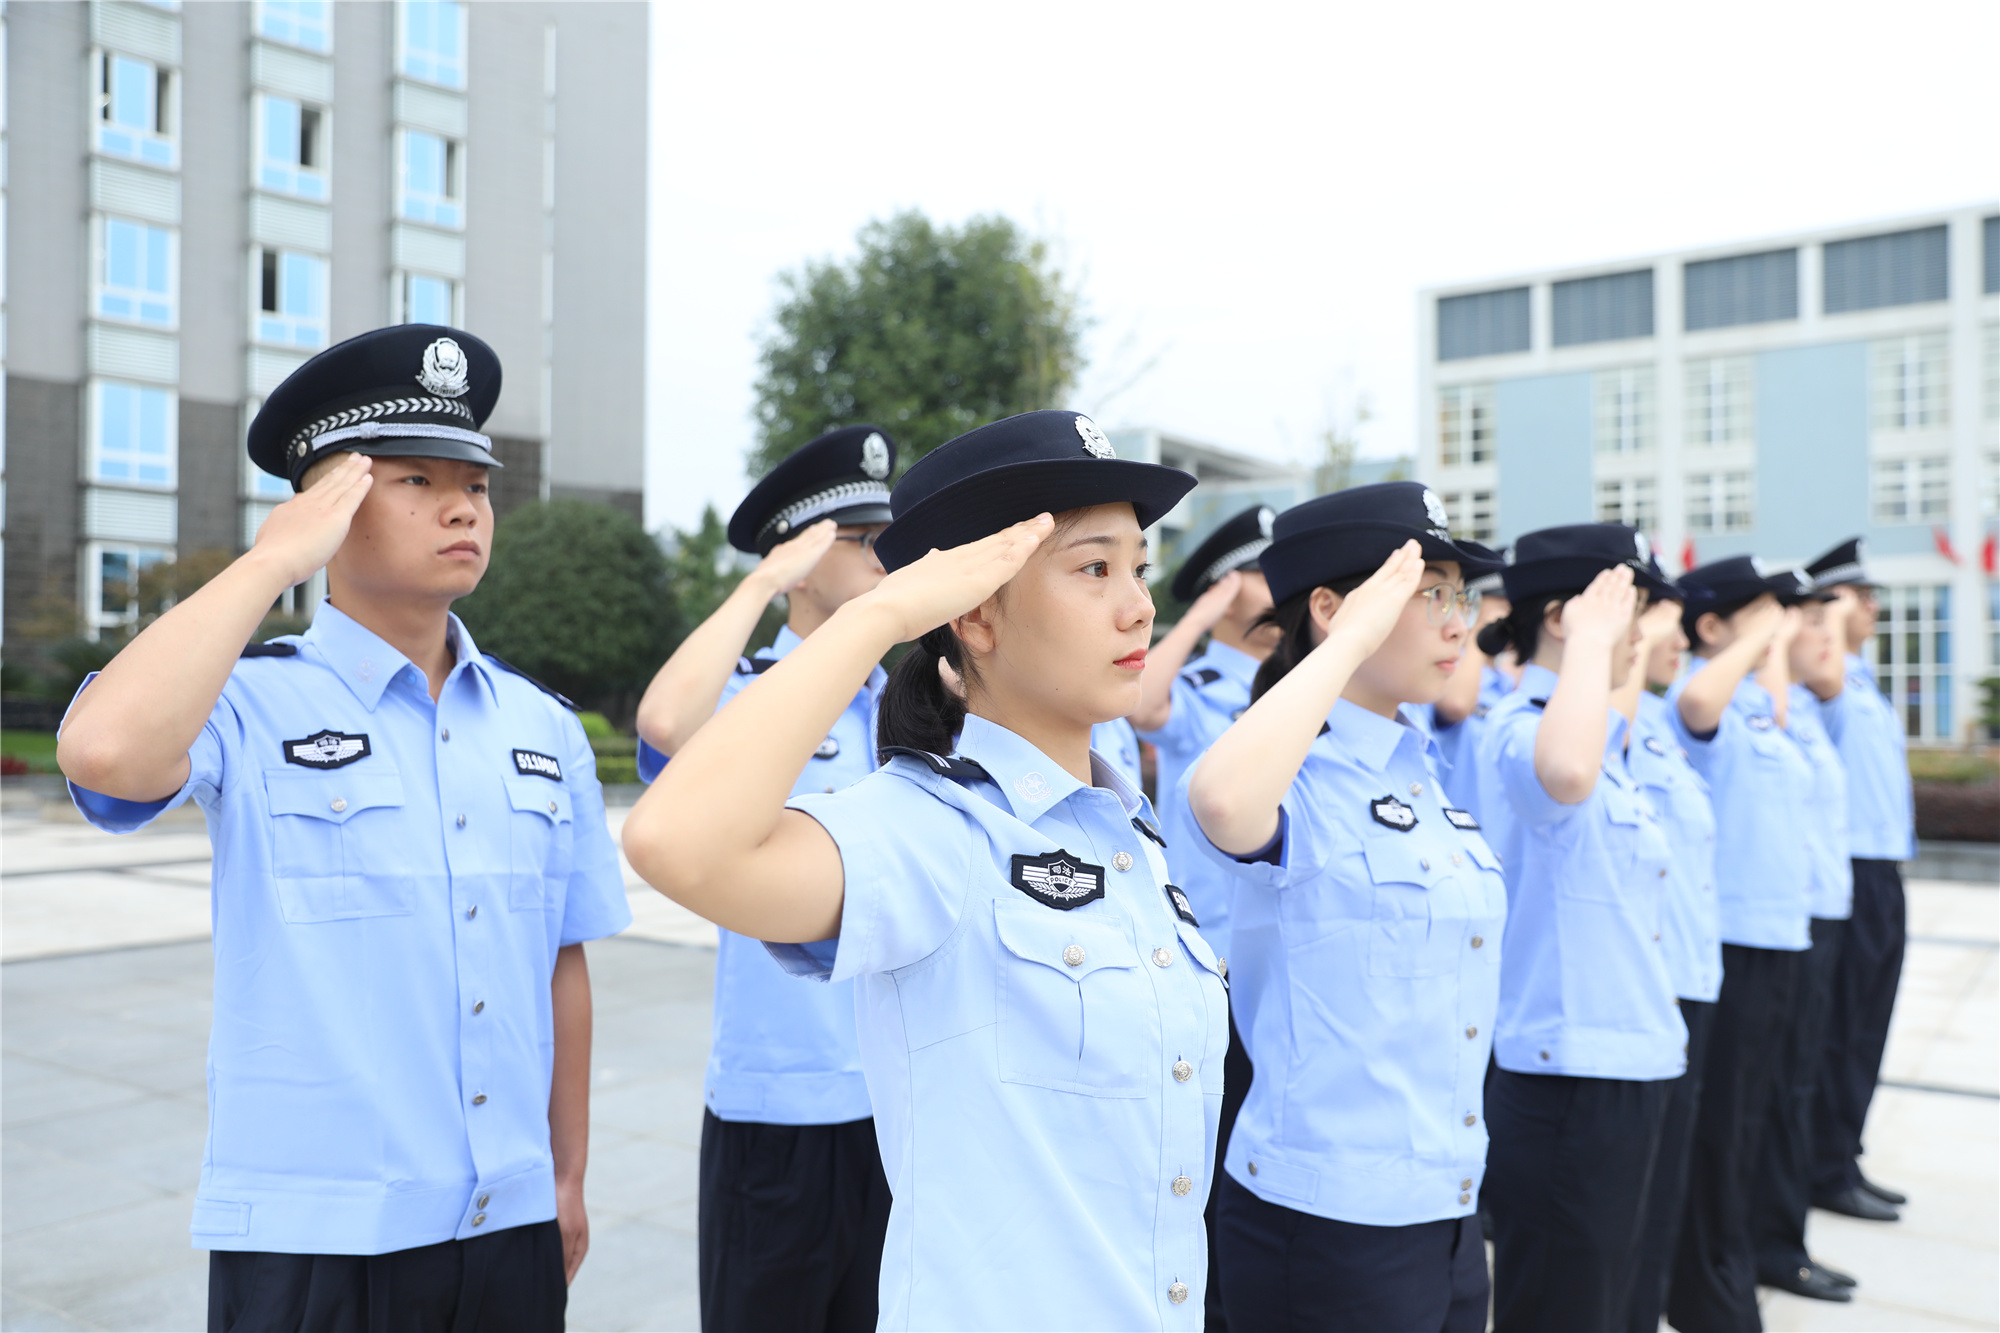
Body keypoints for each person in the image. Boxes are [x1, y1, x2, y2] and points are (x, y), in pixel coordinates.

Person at [54, 325, 630, 1332]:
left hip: (509, 1223)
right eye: (415, 479)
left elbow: (560, 961)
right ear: (329, 507)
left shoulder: (541, 728)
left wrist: (566, 1174)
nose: (463, 505)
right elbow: (105, 756)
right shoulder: (249, 702)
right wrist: (270, 561)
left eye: (477, 484)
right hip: (316, 1239)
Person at [621, 410, 1231, 1330]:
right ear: (977, 613)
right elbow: (676, 840)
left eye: (1138, 568)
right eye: (1094, 567)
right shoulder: (935, 827)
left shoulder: (1134, 839)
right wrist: (883, 614)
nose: (1139, 604)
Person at [1178, 483, 1505, 1333]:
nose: (1455, 620)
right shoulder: (1293, 774)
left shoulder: (1421, 775)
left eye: (1458, 594)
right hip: (1329, 1224)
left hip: (1446, 1206)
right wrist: (1353, 637)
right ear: (1331, 608)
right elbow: (1217, 801)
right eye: (1424, 591)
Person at [631, 424, 898, 1333]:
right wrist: (759, 582)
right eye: (860, 540)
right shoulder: (747, 697)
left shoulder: (911, 709)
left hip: (901, 1101)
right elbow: (667, 723)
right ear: (805, 552)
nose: (884, 557)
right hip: (779, 1108)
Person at [1472, 524, 1686, 1333]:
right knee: (1565, 1308)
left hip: (1629, 1060)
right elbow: (1565, 773)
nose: (1643, 631)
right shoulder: (1520, 727)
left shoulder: (1603, 737)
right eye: (1629, 610)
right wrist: (1597, 639)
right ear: (1568, 618)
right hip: (1567, 1078)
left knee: (1617, 1303)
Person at [1125, 501, 1278, 1330]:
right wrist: (1204, 617)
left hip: (1275, 965)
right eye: (1261, 568)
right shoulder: (1193, 683)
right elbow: (1143, 708)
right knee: (1205, 1168)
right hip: (1209, 972)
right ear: (1226, 584)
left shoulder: (1286, 683)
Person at [1664, 556, 1813, 1332]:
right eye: (1759, 612)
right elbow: (1695, 697)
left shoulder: (1757, 703)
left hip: (1775, 931)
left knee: (1753, 1113)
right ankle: (1705, 1290)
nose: (1779, 625)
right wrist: (1756, 644)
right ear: (1712, 626)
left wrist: (1769, 646)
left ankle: (1733, 1266)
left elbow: (1773, 709)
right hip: (1733, 937)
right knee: (1721, 1125)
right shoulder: (1699, 692)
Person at [1616, 580, 1726, 1333]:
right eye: (1661, 620)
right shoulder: (1566, 723)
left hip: (1683, 977)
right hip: (1635, 993)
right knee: (1612, 1232)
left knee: (1658, 1200)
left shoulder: (1653, 718)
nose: (1678, 637)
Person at [1751, 569, 1860, 1301]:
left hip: (1817, 911)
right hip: (1779, 923)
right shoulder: (1754, 706)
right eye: (1802, 623)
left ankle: (1782, 1236)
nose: (1819, 637)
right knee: (1776, 1094)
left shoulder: (1812, 711)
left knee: (1798, 1084)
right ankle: (1772, 1244)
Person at [1805, 538, 1916, 1223]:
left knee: (1868, 1024)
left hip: (1884, 871)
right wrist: (1825, 611)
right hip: (1849, 871)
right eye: (1858, 595)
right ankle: (1825, 1165)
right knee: (1842, 1026)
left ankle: (1844, 1153)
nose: (1872, 606)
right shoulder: (1829, 675)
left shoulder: (1865, 680)